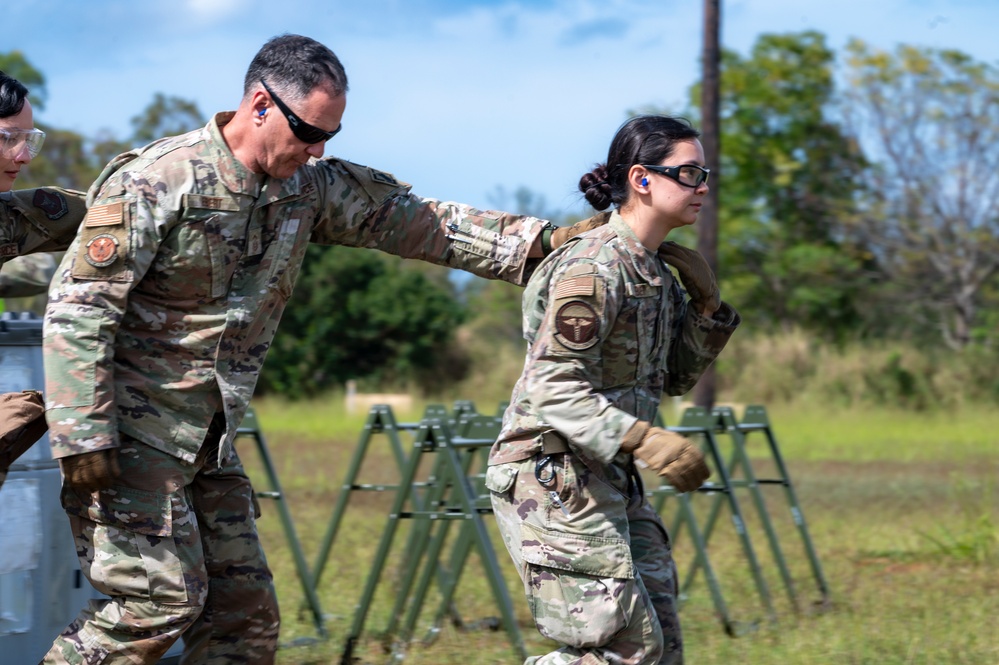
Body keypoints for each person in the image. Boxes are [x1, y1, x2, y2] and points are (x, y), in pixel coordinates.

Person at [39, 33, 604, 665]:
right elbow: (79, 309)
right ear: (259, 105)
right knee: (154, 605)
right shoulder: (158, 180)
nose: (318, 149)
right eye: (308, 130)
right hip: (129, 439)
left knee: (243, 618)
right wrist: (82, 436)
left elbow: (423, 223)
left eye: (329, 136)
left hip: (209, 443)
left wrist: (547, 244)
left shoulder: (307, 188)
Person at [486, 115, 741, 665]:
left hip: (607, 475)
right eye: (689, 173)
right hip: (551, 475)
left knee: (661, 645)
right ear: (642, 179)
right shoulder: (595, 267)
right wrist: (644, 440)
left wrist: (706, 312)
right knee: (626, 650)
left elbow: (672, 377)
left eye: (705, 174)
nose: (702, 186)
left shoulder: (654, 270)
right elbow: (550, 384)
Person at [0, 70, 84, 493]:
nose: (23, 156)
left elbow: (108, 213)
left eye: (28, 140)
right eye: (7, 138)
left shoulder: (7, 219)